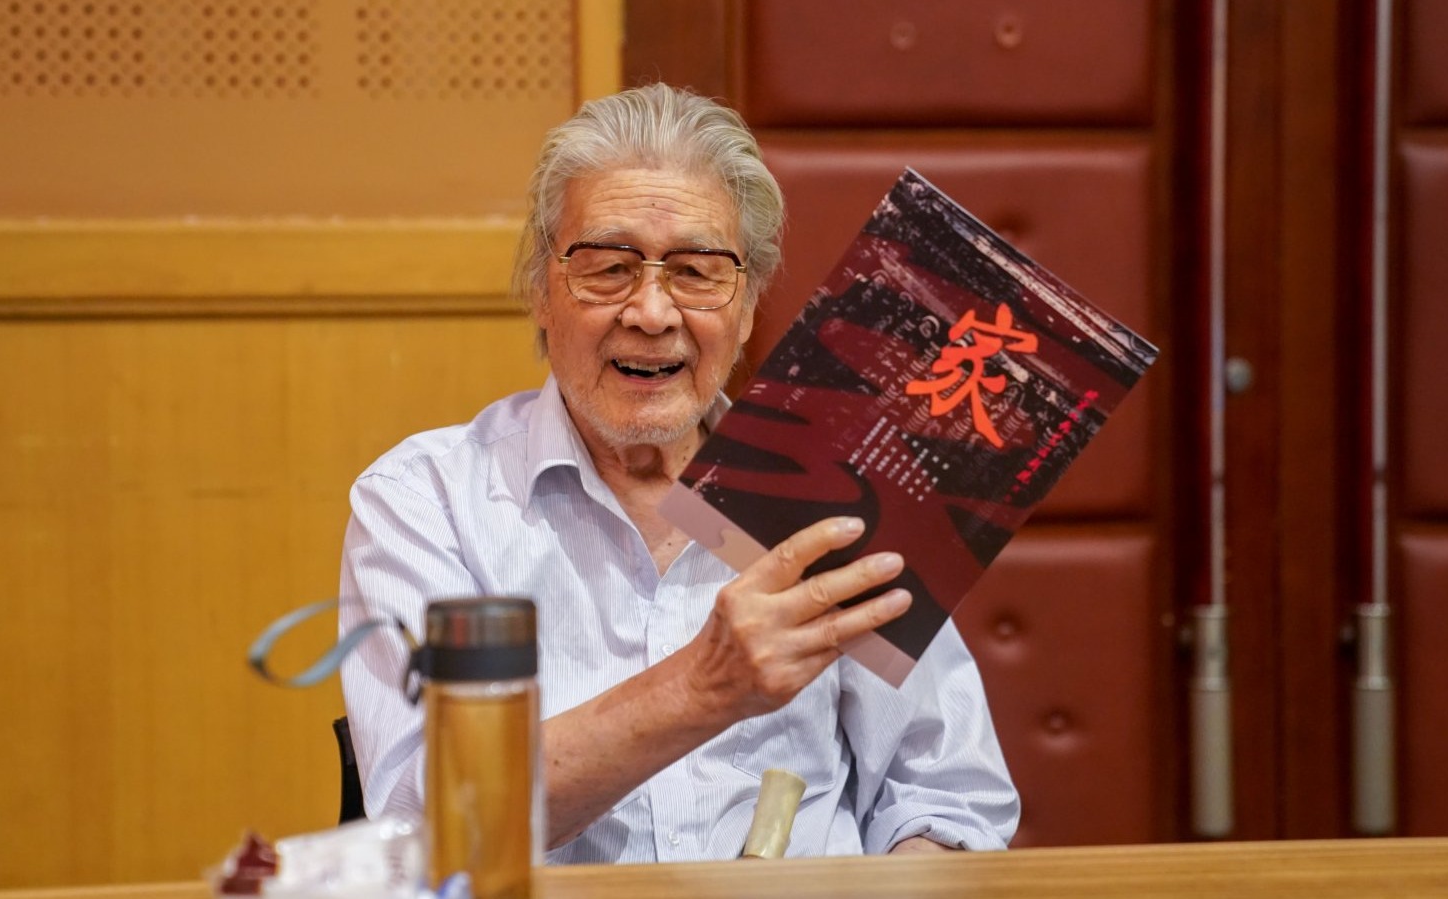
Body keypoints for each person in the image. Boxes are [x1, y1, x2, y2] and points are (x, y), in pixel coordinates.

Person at [338, 83, 1018, 863]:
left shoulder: (846, 492)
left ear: (749, 304)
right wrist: (703, 687)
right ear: (540, 291)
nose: (653, 313)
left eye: (697, 271)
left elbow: (949, 798)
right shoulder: (426, 500)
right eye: (607, 267)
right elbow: (427, 829)